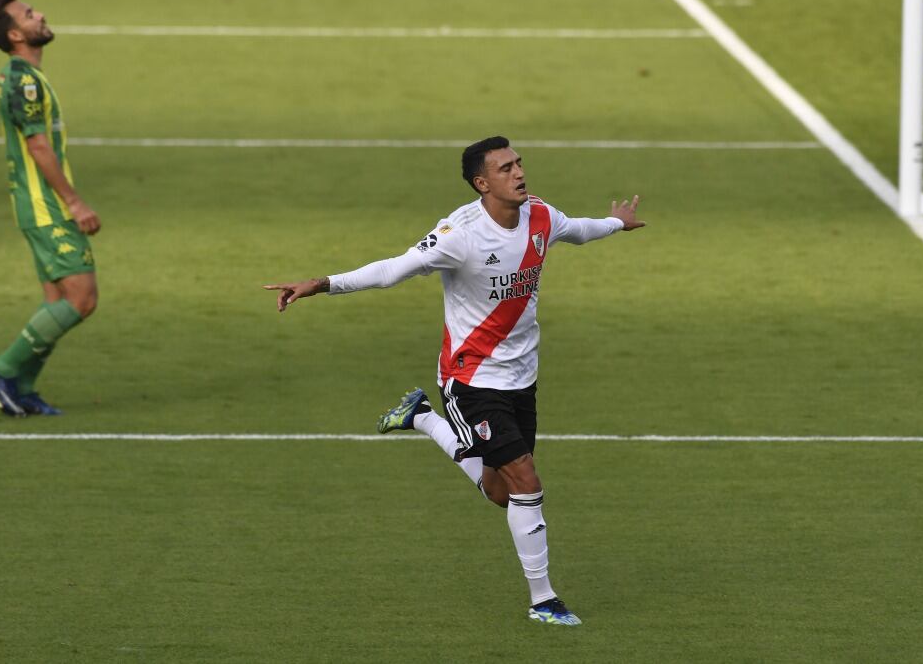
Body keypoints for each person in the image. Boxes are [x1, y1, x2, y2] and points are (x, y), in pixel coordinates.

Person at [264, 136, 644, 626]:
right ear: (481, 183)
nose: (520, 173)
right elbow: (392, 270)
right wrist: (320, 283)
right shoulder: (458, 235)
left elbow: (579, 229)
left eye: (519, 163)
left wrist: (617, 223)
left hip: (521, 376)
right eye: (506, 168)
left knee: (501, 493)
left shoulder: (541, 216)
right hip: (470, 378)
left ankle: (420, 418)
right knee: (526, 480)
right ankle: (544, 600)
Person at [0, 0, 101, 417]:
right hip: (46, 206)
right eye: (29, 15)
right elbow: (38, 147)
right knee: (81, 298)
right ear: (15, 34)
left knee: (57, 300)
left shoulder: (23, 75)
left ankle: (23, 388)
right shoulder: (23, 81)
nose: (40, 14)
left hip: (35, 205)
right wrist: (75, 202)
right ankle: (3, 369)